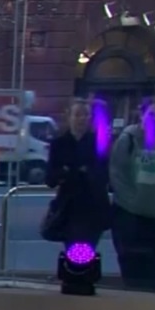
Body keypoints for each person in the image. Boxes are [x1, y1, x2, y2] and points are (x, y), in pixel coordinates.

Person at [109, 97, 155, 291]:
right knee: (132, 271)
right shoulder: (128, 140)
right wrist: (133, 201)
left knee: (154, 274)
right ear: (142, 115)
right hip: (129, 215)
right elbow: (117, 175)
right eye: (152, 115)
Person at [41, 99, 111, 249]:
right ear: (69, 117)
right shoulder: (59, 144)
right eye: (78, 115)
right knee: (74, 253)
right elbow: (50, 178)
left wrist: (77, 171)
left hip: (93, 208)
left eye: (86, 115)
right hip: (69, 209)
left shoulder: (99, 143)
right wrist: (68, 172)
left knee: (85, 253)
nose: (82, 119)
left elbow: (104, 174)